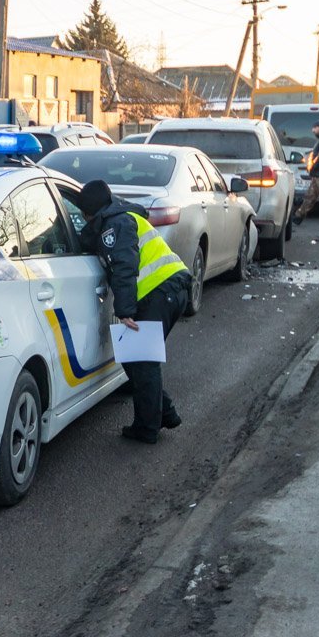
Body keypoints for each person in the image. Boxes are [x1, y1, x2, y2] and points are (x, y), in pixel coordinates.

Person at [78, 179, 192, 445]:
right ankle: (165, 413)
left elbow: (125, 265)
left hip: (160, 292)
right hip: (169, 290)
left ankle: (147, 427)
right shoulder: (119, 217)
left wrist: (125, 309)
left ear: (88, 212)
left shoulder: (116, 225)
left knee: (142, 363)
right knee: (136, 359)